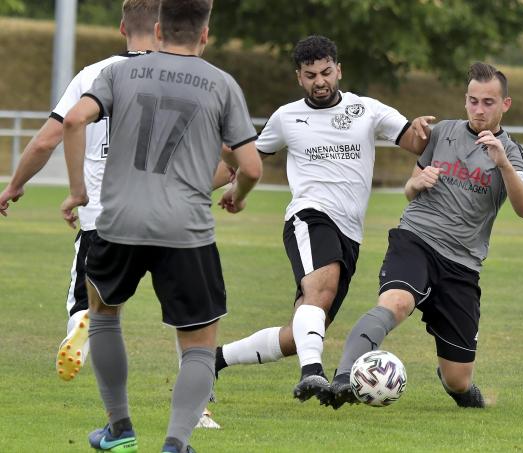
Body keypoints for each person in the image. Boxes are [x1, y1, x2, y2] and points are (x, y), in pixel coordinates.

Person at [60, 0, 262, 451]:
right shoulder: (221, 84)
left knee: (104, 316)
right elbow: (249, 165)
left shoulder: (116, 73)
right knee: (197, 344)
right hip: (185, 229)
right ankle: (175, 442)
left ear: (157, 28)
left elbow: (74, 120)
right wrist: (236, 195)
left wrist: (77, 192)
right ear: (205, 35)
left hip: (117, 222)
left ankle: (119, 428)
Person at [213, 35, 434, 402]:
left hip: (350, 233)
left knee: (301, 330)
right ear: (299, 78)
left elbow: (415, 140)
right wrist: (200, 187)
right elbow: (240, 162)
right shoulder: (286, 117)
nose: (320, 81)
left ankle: (213, 359)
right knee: (322, 291)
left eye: (326, 72)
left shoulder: (366, 109)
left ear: (338, 70)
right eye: (310, 74)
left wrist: (424, 131)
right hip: (309, 215)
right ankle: (312, 373)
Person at [326, 62, 523, 410]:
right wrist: (413, 183)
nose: (478, 109)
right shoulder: (441, 134)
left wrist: (503, 164)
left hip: (463, 264)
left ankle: (460, 389)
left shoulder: (512, 152)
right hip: (417, 239)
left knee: (458, 380)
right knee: (396, 302)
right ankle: (344, 377)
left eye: (487, 102)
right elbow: (411, 189)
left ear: (505, 104)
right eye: (472, 100)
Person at [0, 0, 159, 383]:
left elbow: (46, 141)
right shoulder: (181, 77)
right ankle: (199, 401)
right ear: (162, 29)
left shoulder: (92, 76)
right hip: (163, 212)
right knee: (182, 308)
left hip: (101, 212)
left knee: (88, 298)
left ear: (122, 28)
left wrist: (14, 186)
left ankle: (84, 324)